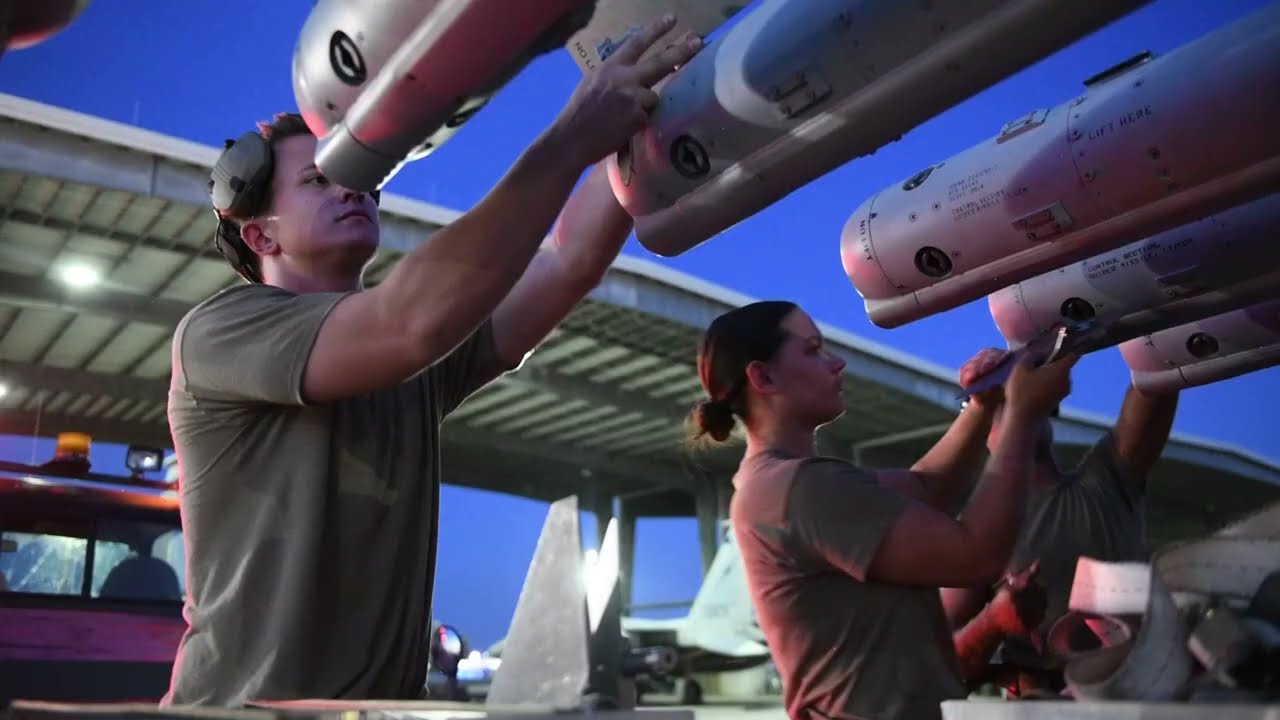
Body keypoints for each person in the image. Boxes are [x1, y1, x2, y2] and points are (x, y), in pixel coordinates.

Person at [162, 15, 704, 707]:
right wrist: (568, 138)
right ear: (259, 230)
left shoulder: (414, 354)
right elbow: (408, 322)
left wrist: (651, 104)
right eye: (319, 182)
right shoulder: (222, 332)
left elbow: (567, 261)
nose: (352, 187)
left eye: (355, 175)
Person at [689, 300, 1075, 720]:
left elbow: (926, 488)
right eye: (813, 350)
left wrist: (982, 408)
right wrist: (1021, 416)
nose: (836, 363)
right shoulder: (799, 489)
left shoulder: (781, 483)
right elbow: (977, 555)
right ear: (762, 376)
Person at [940, 380, 1179, 696]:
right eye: (1000, 401)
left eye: (1026, 396)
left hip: (1136, 692)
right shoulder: (975, 530)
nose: (1018, 406)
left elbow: (1157, 378)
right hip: (1043, 704)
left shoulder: (1107, 482)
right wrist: (994, 623)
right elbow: (942, 662)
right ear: (979, 425)